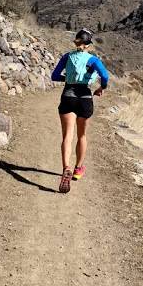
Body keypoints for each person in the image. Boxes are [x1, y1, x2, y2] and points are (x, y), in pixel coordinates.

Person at [50, 29, 110, 193]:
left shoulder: (67, 57)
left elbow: (54, 76)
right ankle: (77, 169)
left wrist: (68, 78)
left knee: (67, 136)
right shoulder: (93, 60)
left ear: (76, 42)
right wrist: (100, 88)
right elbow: (105, 76)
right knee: (82, 135)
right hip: (85, 97)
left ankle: (66, 168)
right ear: (89, 44)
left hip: (68, 95)